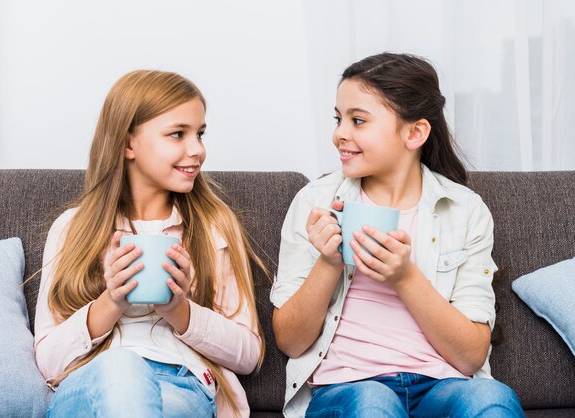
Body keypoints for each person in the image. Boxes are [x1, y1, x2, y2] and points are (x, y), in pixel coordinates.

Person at [270, 53, 525, 417]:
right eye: (339, 118)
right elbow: (291, 342)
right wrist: (328, 262)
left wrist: (405, 277)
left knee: (491, 399)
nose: (340, 133)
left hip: (442, 387)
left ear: (415, 133)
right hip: (348, 388)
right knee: (373, 403)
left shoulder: (465, 210)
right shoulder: (316, 202)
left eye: (358, 120)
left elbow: (469, 357)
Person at [34, 70, 265, 418]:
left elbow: (248, 355)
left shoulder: (214, 227)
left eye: (200, 134)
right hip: (91, 383)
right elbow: (49, 361)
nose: (197, 150)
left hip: (182, 384)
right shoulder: (72, 229)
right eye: (177, 134)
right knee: (122, 372)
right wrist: (111, 301)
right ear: (128, 144)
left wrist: (178, 310)